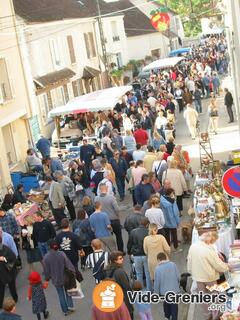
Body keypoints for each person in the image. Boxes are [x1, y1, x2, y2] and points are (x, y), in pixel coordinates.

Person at [187, 231, 229, 320]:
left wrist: (192, 272)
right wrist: (227, 267)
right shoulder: (209, 250)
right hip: (210, 277)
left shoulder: (193, 247)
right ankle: (215, 315)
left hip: (198, 277)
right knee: (214, 296)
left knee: (203, 297)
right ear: (209, 241)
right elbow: (217, 265)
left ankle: (207, 315)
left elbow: (189, 261)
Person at [43, 239, 75, 316]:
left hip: (56, 280)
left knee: (60, 295)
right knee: (68, 292)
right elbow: (68, 264)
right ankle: (70, 306)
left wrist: (47, 280)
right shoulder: (61, 254)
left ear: (49, 247)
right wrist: (73, 272)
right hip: (66, 277)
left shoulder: (46, 257)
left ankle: (65, 311)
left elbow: (47, 271)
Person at [105, 251, 134, 319]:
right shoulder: (120, 272)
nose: (122, 259)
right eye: (120, 258)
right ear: (115, 260)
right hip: (124, 298)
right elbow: (127, 286)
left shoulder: (108, 270)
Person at [95, 184, 123, 252]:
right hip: (114, 220)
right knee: (118, 236)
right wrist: (118, 216)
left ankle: (110, 252)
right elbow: (117, 209)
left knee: (108, 238)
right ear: (106, 188)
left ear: (100, 189)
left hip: (104, 221)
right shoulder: (111, 197)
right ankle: (120, 251)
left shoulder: (96, 198)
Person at [127, 217, 152, 292]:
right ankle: (149, 290)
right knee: (148, 273)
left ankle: (140, 290)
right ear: (147, 224)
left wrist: (129, 252)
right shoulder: (149, 232)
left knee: (138, 273)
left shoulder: (133, 232)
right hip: (146, 255)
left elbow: (129, 244)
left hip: (136, 255)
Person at [154, 252, 180, 320]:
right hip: (174, 291)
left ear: (159, 260)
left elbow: (157, 283)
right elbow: (178, 277)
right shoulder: (173, 264)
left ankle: (167, 317)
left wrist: (156, 294)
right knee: (174, 307)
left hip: (164, 293)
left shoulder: (158, 269)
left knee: (166, 306)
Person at [0, 233, 18, 309]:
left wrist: (3, 258)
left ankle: (15, 299)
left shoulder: (4, 248)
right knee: (1, 289)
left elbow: (13, 257)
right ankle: (0, 304)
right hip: (1, 273)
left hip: (8, 272)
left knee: (12, 287)